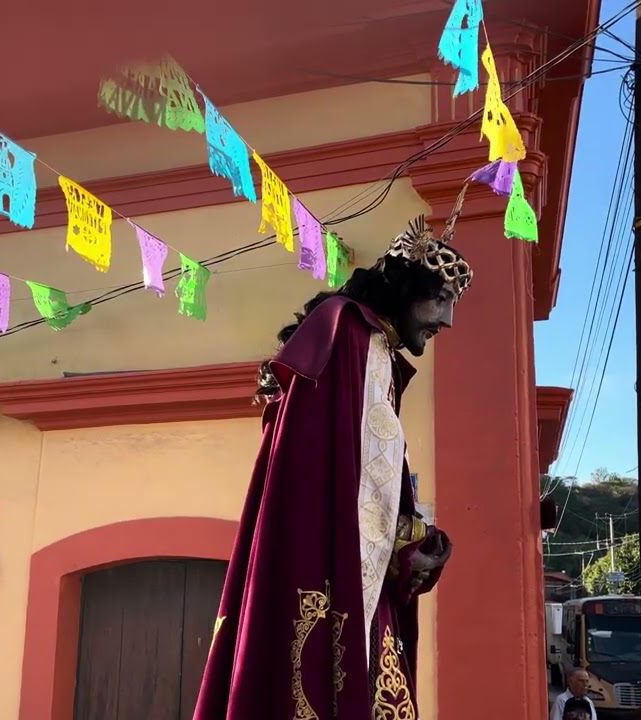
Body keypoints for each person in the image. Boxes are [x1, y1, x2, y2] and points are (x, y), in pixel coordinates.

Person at [192, 201, 473, 720]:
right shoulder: (344, 335)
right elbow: (338, 483)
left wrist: (415, 543)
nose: (447, 320)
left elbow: (378, 482)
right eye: (440, 300)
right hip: (328, 573)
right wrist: (402, 540)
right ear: (407, 291)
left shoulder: (380, 354)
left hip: (366, 591)